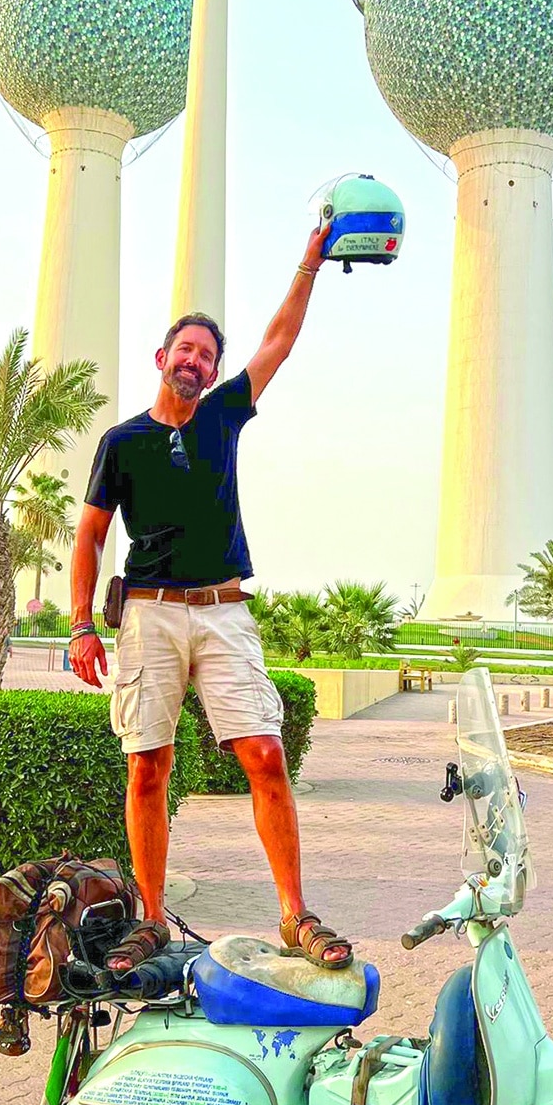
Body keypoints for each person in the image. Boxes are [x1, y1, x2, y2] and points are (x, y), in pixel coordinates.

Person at [69, 225, 353, 977]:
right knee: (148, 767)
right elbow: (90, 537)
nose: (195, 360)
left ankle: (293, 914)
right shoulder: (122, 442)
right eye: (184, 349)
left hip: (224, 608)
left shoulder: (227, 412)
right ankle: (152, 921)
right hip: (150, 612)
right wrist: (78, 627)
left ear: (214, 369)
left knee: (263, 753)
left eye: (207, 353)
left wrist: (310, 262)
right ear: (161, 359)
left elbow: (281, 338)